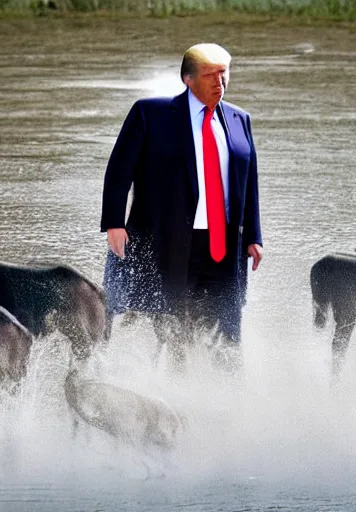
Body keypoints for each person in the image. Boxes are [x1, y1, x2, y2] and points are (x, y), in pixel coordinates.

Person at [100, 43, 263, 369]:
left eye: (224, 73)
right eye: (210, 75)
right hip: (168, 242)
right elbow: (119, 171)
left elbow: (249, 183)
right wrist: (114, 223)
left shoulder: (239, 119)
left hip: (224, 244)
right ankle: (169, 391)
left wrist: (253, 236)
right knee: (170, 323)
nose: (220, 82)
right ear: (188, 79)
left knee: (227, 325)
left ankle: (229, 396)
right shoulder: (150, 114)